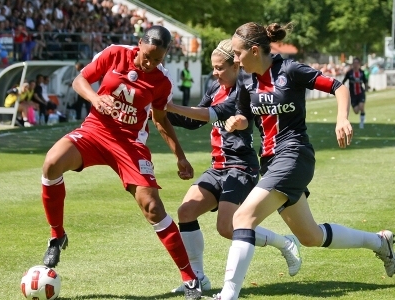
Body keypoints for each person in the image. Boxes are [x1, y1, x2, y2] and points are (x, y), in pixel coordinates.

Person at [214, 22, 395, 300]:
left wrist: (342, 118)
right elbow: (243, 118)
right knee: (310, 237)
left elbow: (339, 87)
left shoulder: (290, 70)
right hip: (272, 162)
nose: (234, 60)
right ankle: (380, 242)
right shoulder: (244, 81)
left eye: (237, 54)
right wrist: (237, 122)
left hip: (295, 154)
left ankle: (228, 295)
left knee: (242, 218)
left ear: (253, 50)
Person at [40, 25, 202, 300]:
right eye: (147, 56)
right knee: (52, 163)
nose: (150, 64)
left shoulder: (162, 82)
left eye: (157, 60)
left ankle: (190, 278)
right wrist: (95, 98)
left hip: (130, 145)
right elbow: (80, 79)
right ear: (139, 43)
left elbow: (160, 119)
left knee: (153, 207)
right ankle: (57, 236)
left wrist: (180, 157)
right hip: (94, 131)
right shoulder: (115, 54)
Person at [166, 39, 302, 294]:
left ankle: (285, 243)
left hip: (241, 168)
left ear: (235, 66)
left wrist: (170, 105)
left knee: (227, 228)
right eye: (213, 68)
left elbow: (210, 114)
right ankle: (198, 278)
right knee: (186, 211)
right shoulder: (215, 87)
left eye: (219, 68)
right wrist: (160, 109)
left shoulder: (244, 92)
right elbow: (193, 121)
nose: (215, 73)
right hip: (217, 167)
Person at [342, 57, 369, 129]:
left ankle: (362, 123)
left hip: (360, 93)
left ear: (359, 64)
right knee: (356, 111)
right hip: (352, 94)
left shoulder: (361, 72)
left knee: (361, 107)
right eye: (354, 63)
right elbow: (343, 81)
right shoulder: (349, 73)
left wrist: (366, 87)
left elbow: (365, 81)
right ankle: (360, 116)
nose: (355, 64)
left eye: (357, 63)